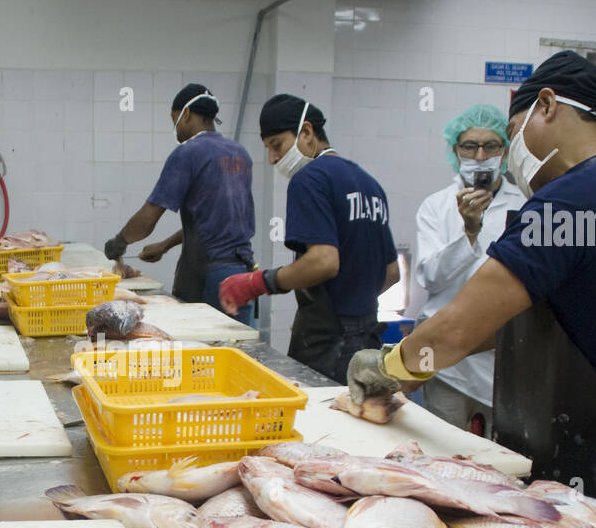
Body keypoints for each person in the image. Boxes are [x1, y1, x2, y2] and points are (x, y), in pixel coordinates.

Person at [348, 52, 596, 528]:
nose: (512, 154)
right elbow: (538, 318)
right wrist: (422, 356)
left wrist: (390, 367)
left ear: (547, 105)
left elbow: (456, 330)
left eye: (513, 135)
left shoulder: (576, 197)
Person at [218, 94, 399, 384]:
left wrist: (258, 282)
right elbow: (391, 273)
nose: (273, 158)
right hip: (367, 343)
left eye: (276, 145)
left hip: (329, 349)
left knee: (319, 424)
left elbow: (324, 261)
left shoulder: (310, 177)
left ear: (307, 132)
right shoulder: (369, 183)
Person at [412, 104, 526, 435]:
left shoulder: (524, 206)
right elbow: (430, 277)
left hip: (502, 361)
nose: (479, 155)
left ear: (504, 151)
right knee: (443, 453)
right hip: (448, 365)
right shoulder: (436, 206)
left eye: (490, 145)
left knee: (501, 459)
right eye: (469, 146)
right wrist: (470, 232)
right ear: (455, 150)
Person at [103, 84, 257, 324]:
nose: (174, 130)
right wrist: (165, 245)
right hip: (243, 274)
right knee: (239, 351)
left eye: (173, 120)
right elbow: (212, 219)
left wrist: (119, 242)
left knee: (199, 352)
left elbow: (149, 217)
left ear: (186, 114)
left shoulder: (187, 153)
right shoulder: (239, 153)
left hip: (208, 275)